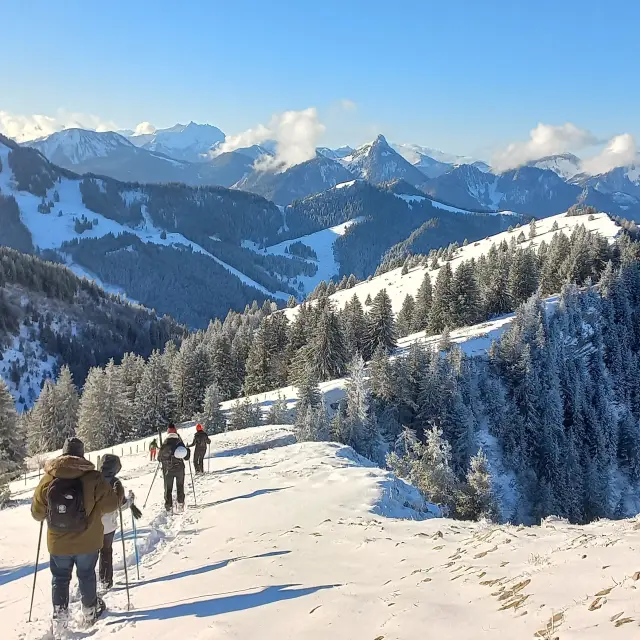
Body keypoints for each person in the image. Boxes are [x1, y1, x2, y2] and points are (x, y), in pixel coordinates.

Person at [31, 437, 121, 630]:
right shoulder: (93, 477)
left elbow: (37, 514)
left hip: (58, 542)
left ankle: (60, 616)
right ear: (82, 454)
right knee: (86, 573)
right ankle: (90, 609)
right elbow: (112, 504)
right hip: (88, 541)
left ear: (63, 453)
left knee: (60, 577)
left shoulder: (49, 478)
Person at [97, 454, 137, 592]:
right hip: (108, 526)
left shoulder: (92, 479)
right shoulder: (115, 482)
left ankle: (89, 585)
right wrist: (131, 500)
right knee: (106, 551)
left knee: (91, 554)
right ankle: (105, 580)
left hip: (92, 524)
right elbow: (121, 505)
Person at [158, 424, 190, 513]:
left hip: (168, 470)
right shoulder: (179, 442)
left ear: (168, 432)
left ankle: (169, 507)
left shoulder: (165, 444)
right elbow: (186, 457)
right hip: (179, 469)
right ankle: (180, 504)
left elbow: (159, 458)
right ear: (175, 432)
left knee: (168, 489)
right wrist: (188, 450)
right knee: (180, 486)